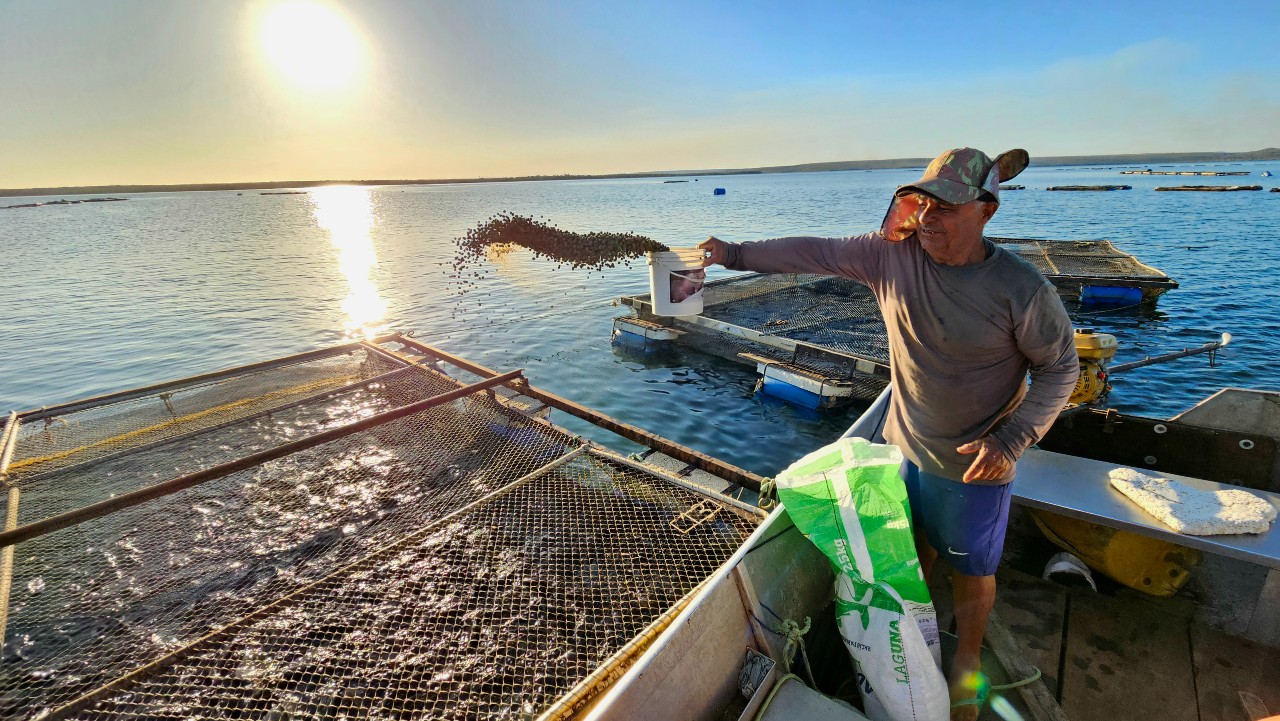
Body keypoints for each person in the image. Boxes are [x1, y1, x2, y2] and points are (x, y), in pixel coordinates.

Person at [699, 147, 1077, 721]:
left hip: (974, 465)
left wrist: (1014, 439)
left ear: (986, 212)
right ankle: (919, 651)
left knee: (973, 576)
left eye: (948, 208)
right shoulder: (889, 257)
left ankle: (966, 678)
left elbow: (1060, 369)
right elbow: (812, 251)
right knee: (916, 552)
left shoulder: (1021, 290)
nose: (929, 219)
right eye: (923, 202)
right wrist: (731, 253)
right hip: (900, 447)